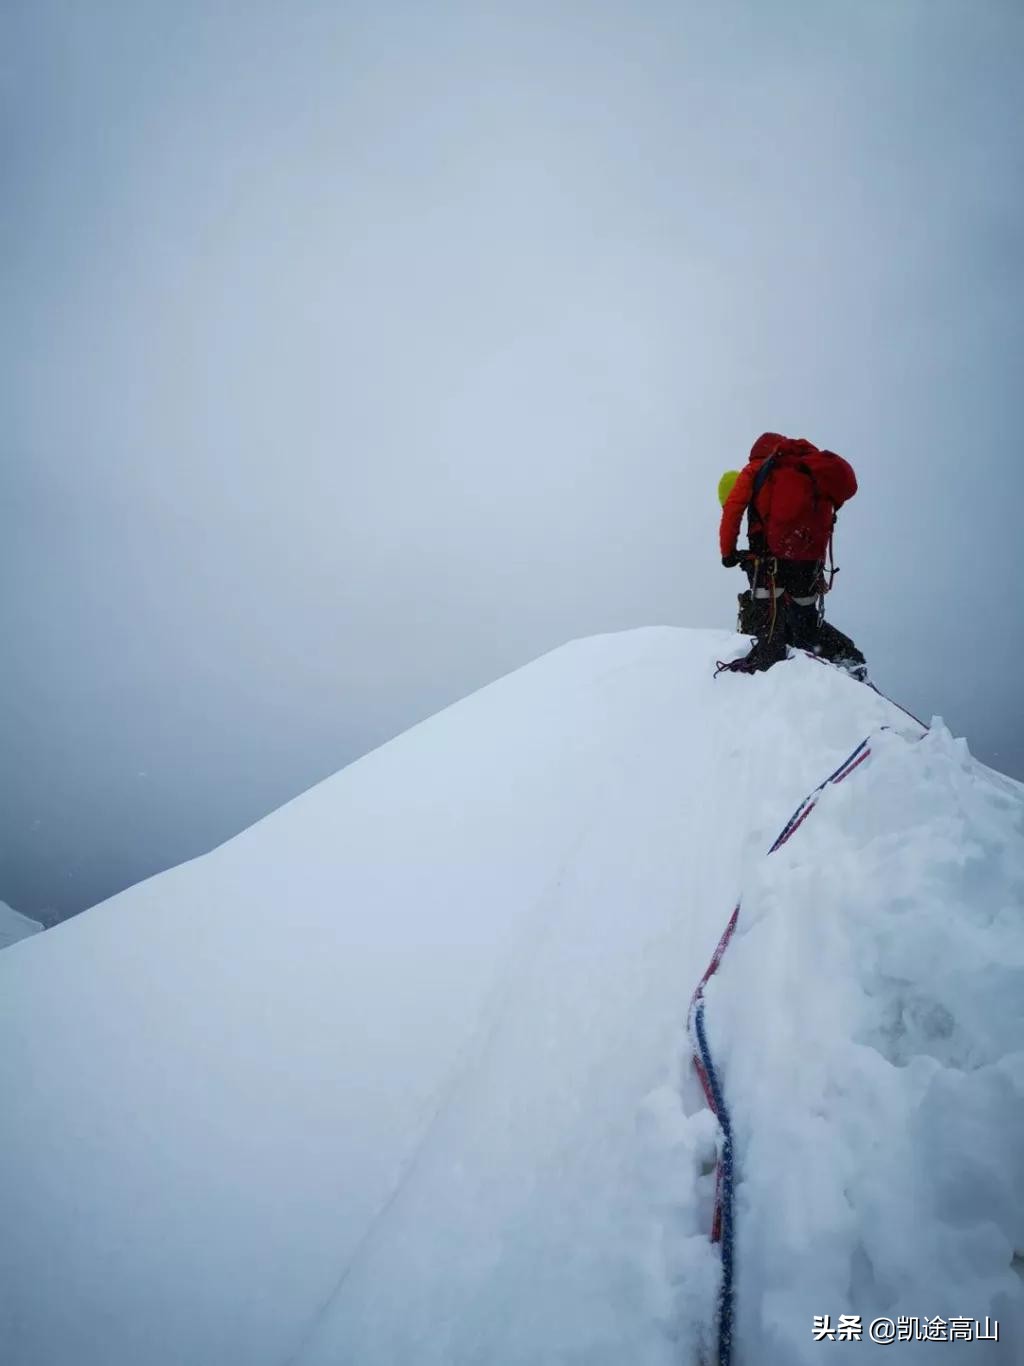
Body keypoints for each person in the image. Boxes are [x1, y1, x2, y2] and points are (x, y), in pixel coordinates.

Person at [717, 433, 867, 676]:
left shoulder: (756, 470)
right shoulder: (809, 469)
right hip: (809, 563)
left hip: (770, 562)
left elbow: (733, 510)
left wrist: (728, 553)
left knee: (769, 623)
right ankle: (846, 656)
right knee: (806, 620)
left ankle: (764, 676)